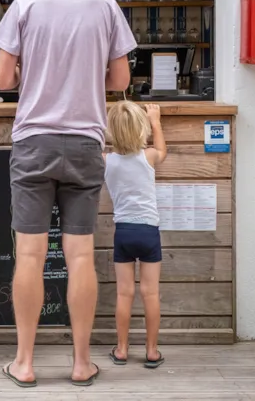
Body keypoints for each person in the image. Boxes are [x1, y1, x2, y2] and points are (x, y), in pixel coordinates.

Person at [0, 0, 136, 388]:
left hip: (34, 140)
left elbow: (0, 80)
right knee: (79, 256)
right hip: (85, 142)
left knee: (30, 256)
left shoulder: (25, 5)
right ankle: (79, 363)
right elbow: (119, 81)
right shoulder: (106, 6)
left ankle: (26, 363)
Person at [105, 101, 167, 369]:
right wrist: (156, 120)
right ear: (141, 129)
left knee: (124, 294)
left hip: (124, 233)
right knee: (150, 294)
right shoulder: (149, 157)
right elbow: (163, 150)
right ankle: (152, 351)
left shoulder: (106, 160)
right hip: (148, 231)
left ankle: (121, 349)